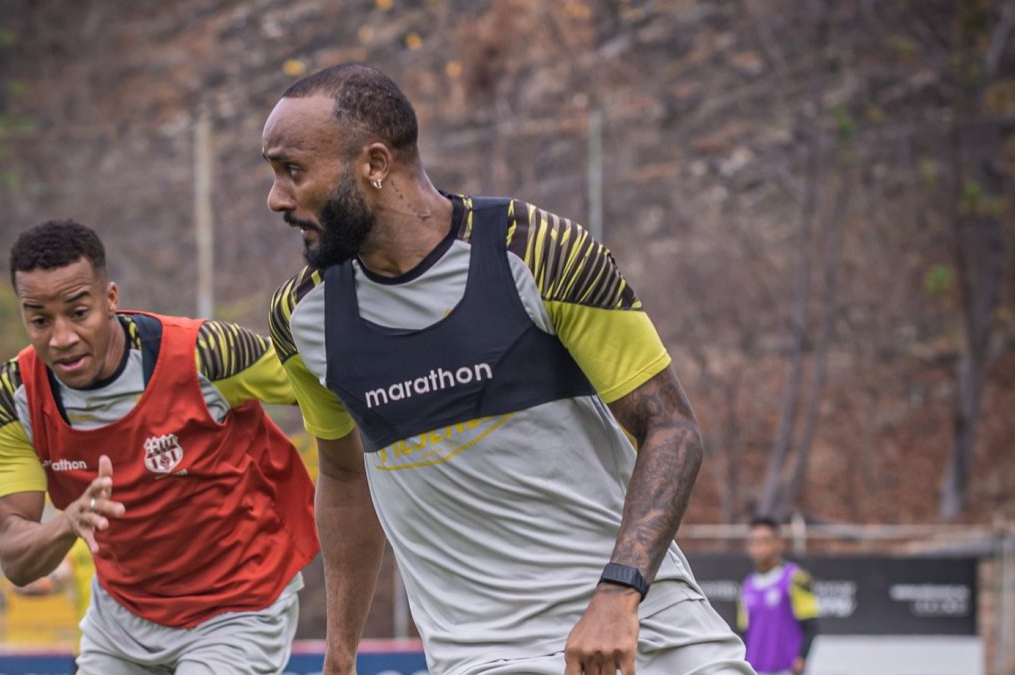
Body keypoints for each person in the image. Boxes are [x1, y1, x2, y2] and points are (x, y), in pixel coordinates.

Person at [261, 63, 754, 675]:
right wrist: (340, 652)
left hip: (646, 623)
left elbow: (672, 428)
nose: (277, 198)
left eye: (292, 170)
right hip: (487, 654)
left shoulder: (540, 251)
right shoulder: (303, 318)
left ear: (375, 163)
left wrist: (619, 593)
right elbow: (342, 479)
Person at [0, 220, 319, 674]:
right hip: (122, 618)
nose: (60, 338)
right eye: (40, 320)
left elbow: (325, 386)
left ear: (110, 299)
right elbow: (15, 558)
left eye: (79, 313)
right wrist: (65, 525)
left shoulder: (207, 353)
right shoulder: (11, 399)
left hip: (238, 606)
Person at [738, 518, 819, 675]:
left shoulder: (796, 578)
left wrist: (801, 659)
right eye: (754, 542)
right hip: (755, 670)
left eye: (765, 541)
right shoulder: (746, 586)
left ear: (778, 544)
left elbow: (811, 625)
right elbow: (744, 632)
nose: (759, 548)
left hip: (786, 669)